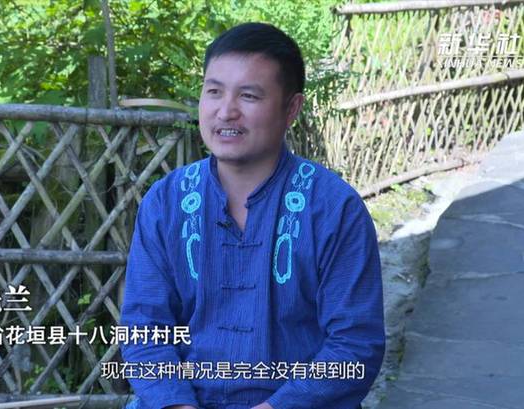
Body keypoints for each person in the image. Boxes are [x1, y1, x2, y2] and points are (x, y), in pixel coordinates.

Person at [119, 22, 385, 409]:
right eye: (214, 92)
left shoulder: (333, 208)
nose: (226, 112)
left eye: (248, 95)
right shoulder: (166, 202)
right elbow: (144, 329)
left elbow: (355, 345)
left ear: (291, 108)